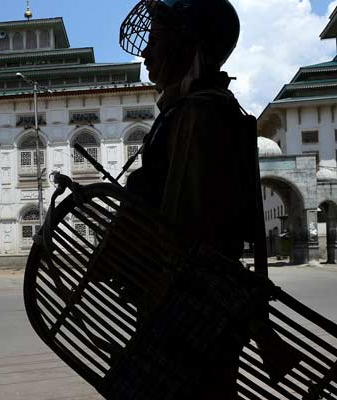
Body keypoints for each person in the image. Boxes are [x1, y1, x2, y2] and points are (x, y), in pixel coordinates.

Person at [118, 0, 253, 398]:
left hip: (190, 315)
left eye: (156, 41)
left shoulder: (200, 114)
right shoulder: (190, 109)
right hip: (190, 309)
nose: (145, 53)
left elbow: (185, 228)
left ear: (187, 48)